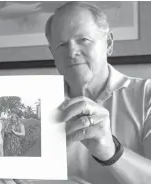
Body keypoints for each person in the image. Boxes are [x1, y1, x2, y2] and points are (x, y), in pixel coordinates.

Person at [44, 2, 151, 184]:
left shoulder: (146, 96)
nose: (71, 52)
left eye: (83, 40)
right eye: (62, 45)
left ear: (108, 43)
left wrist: (111, 152)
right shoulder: (37, 103)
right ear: (52, 53)